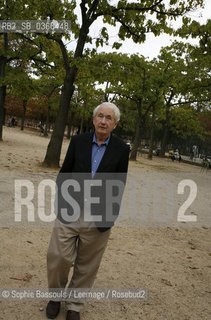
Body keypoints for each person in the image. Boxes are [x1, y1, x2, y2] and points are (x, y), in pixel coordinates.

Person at [46, 102, 130, 320]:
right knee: (58, 256)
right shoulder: (78, 141)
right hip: (70, 211)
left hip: (99, 217)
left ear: (115, 124)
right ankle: (55, 296)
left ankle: (74, 305)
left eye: (108, 118)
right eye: (100, 116)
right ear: (93, 120)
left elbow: (120, 184)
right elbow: (64, 173)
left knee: (87, 264)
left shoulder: (122, 149)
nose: (103, 121)